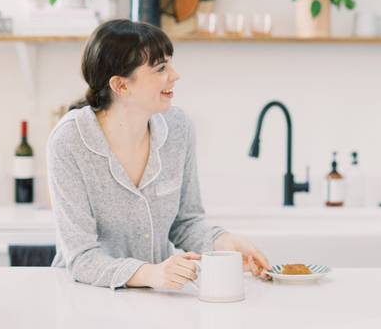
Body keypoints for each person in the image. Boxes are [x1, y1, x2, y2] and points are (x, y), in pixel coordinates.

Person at [48, 19, 270, 289]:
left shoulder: (178, 128)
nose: (175, 75)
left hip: (158, 298)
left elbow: (185, 222)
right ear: (121, 86)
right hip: (86, 298)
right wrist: (148, 274)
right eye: (161, 68)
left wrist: (223, 243)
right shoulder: (69, 141)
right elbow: (81, 256)